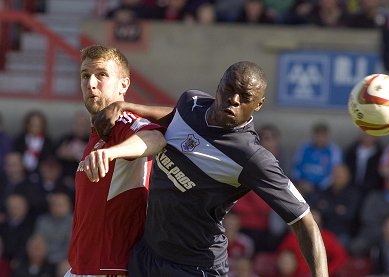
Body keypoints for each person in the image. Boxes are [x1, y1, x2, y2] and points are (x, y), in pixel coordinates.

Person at [93, 61, 329, 276]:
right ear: (219, 86)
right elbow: (175, 117)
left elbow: (304, 221)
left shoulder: (252, 158)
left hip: (195, 267)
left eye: (245, 96)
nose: (234, 99)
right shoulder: (190, 103)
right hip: (147, 254)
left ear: (259, 104)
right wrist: (126, 106)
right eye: (230, 89)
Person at [65, 45, 167, 276]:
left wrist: (110, 153)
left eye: (101, 75)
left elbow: (155, 139)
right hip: (82, 267)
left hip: (112, 267)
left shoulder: (122, 122)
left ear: (124, 84)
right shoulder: (97, 133)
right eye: (85, 75)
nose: (91, 83)